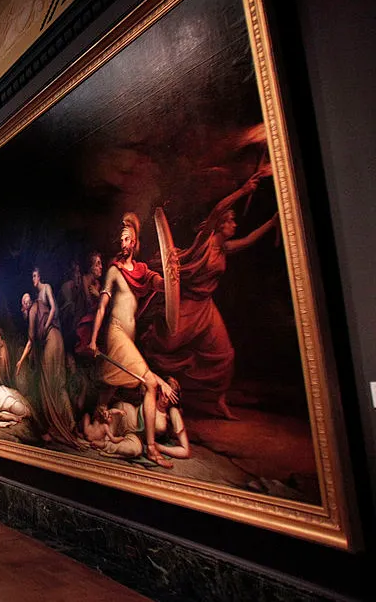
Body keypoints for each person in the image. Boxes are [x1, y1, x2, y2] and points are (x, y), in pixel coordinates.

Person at [143, 166, 279, 419]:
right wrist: (243, 190)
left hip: (206, 307)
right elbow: (217, 210)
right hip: (187, 305)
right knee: (165, 346)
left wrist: (271, 224)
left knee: (225, 355)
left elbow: (249, 240)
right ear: (220, 225)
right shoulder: (203, 242)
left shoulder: (225, 248)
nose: (234, 224)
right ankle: (154, 384)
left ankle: (218, 401)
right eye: (231, 220)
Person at [88, 213, 177, 468]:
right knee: (149, 383)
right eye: (121, 239)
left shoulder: (142, 272)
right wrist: (94, 339)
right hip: (115, 333)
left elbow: (163, 286)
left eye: (127, 239)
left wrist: (171, 274)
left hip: (129, 337)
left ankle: (94, 427)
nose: (123, 243)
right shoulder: (114, 270)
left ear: (135, 241)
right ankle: (150, 448)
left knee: (108, 388)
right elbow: (103, 307)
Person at [17, 269, 80, 447]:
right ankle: (71, 424)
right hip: (57, 339)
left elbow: (31, 341)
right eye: (25, 301)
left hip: (51, 342)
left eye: (28, 300)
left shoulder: (37, 305)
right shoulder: (38, 304)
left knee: (47, 386)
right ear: (22, 306)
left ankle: (57, 425)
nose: (28, 302)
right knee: (59, 385)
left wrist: (21, 361)